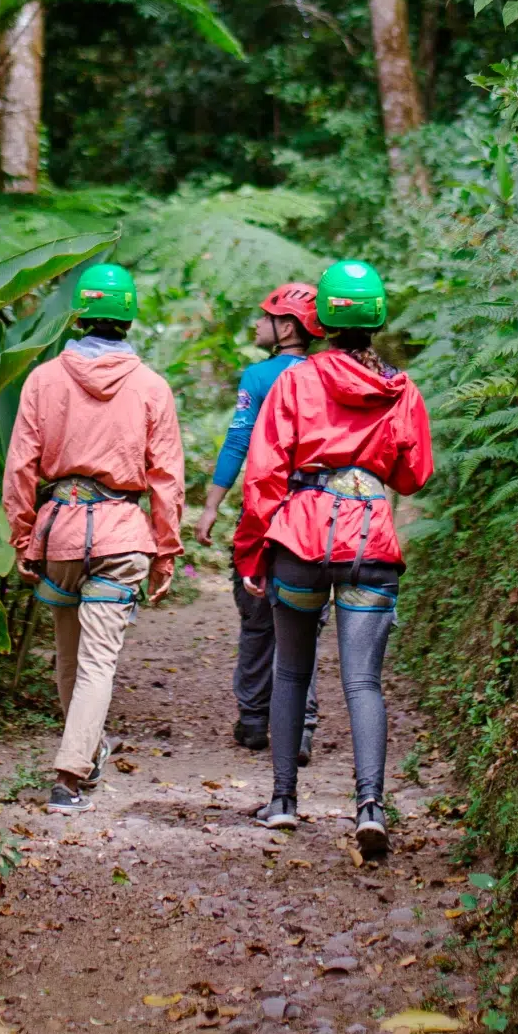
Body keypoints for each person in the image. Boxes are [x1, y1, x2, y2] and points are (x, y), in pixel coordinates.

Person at [231, 258, 433, 862]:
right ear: (377, 320)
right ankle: (370, 808)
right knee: (363, 681)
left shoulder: (295, 382)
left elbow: (265, 472)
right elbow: (414, 474)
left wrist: (252, 548)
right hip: (370, 540)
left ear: (320, 317)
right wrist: (368, 469)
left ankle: (284, 802)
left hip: (299, 538)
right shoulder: (400, 387)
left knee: (292, 672)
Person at [2, 261, 186, 815]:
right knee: (97, 662)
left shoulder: (43, 379)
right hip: (121, 536)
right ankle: (70, 774)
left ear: (79, 314)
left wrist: (21, 535)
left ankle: (79, 756)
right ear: (128, 319)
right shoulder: (151, 387)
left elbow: (20, 467)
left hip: (59, 531)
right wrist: (166, 551)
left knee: (68, 653)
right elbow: (167, 478)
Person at [195, 283, 322, 752]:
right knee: (305, 625)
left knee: (256, 619)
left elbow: (237, 442)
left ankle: (252, 720)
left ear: (286, 326)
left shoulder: (259, 376)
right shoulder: (327, 375)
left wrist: (211, 505)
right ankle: (301, 728)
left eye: (264, 315)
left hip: (263, 514)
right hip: (314, 514)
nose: (256, 323)